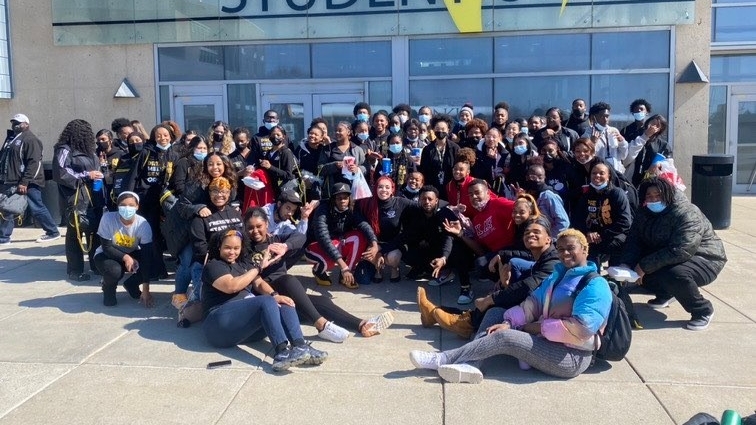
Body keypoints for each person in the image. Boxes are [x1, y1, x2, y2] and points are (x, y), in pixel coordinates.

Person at [409, 229, 612, 383]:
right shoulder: (557, 276)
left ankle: (443, 359)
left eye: (571, 248)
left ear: (585, 250)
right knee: (497, 312)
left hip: (570, 356)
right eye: (560, 249)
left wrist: (524, 328)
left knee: (506, 337)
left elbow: (580, 330)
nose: (565, 253)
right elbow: (533, 303)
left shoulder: (595, 284)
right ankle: (470, 366)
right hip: (546, 340)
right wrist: (509, 321)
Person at [243, 207, 394, 342]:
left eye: (259, 226)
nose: (255, 231)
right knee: (289, 280)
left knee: (321, 302)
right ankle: (321, 325)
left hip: (287, 289)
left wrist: (285, 246)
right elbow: (254, 281)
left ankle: (362, 325)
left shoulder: (276, 240)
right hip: (266, 293)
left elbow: (301, 237)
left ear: (267, 225)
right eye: (250, 228)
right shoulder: (245, 249)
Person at [201, 229, 327, 372]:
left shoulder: (243, 265)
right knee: (266, 301)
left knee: (284, 302)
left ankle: (300, 347)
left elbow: (259, 284)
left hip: (243, 329)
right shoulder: (214, 265)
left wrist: (275, 295)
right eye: (227, 248)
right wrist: (259, 268)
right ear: (219, 247)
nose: (232, 252)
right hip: (219, 326)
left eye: (236, 248)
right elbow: (232, 286)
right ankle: (281, 353)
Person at [418, 217, 559, 339]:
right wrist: (504, 282)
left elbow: (528, 287)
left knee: (497, 302)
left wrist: (491, 299)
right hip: (538, 305)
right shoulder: (543, 257)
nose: (530, 235)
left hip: (549, 318)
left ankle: (463, 324)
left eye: (536, 232)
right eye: (527, 233)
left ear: (548, 239)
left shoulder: (553, 262)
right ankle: (437, 314)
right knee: (502, 293)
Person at [619, 177, 727, 331]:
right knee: (640, 266)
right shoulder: (643, 213)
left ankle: (702, 310)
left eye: (658, 195)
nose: (653, 199)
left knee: (674, 274)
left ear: (668, 194)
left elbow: (682, 249)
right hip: (668, 256)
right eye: (649, 196)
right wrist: (626, 265)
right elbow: (634, 241)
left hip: (705, 258)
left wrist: (644, 265)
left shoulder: (687, 212)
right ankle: (665, 293)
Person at [442, 179, 516, 304]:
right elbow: (480, 251)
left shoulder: (498, 203)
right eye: (470, 194)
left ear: (487, 193)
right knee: (480, 263)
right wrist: (460, 234)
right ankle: (501, 284)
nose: (474, 197)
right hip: (496, 257)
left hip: (513, 251)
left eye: (477, 192)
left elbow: (522, 209)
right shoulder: (476, 220)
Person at [52, 119, 102, 281]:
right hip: (74, 198)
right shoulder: (64, 150)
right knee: (75, 232)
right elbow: (61, 172)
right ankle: (74, 270)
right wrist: (86, 175)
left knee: (94, 230)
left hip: (92, 196)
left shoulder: (90, 152)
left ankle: (96, 265)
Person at [0, 113, 60, 245]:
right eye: (14, 123)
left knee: (36, 207)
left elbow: (34, 163)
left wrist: (24, 181)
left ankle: (52, 231)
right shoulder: (12, 139)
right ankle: (4, 237)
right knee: (7, 208)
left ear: (26, 124)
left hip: (28, 182)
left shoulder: (30, 139)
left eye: (19, 123)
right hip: (11, 180)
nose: (15, 125)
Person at [305, 182, 380, 289]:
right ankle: (318, 271)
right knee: (330, 259)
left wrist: (374, 244)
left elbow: (364, 225)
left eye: (345, 198)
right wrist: (342, 265)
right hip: (316, 247)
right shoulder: (323, 210)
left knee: (359, 237)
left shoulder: (351, 209)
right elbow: (324, 239)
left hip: (337, 243)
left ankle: (347, 276)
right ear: (333, 199)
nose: (343, 201)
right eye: (339, 198)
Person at [94, 191, 154, 307]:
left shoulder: (143, 224)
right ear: (117, 206)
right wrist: (126, 258)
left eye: (131, 205)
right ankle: (108, 289)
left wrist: (146, 289)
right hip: (107, 254)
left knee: (154, 265)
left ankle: (131, 284)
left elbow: (147, 256)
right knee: (114, 271)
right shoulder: (107, 219)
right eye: (123, 205)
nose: (127, 208)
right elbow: (106, 247)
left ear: (137, 206)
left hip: (132, 252)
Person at [189, 176, 243, 300]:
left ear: (229, 193)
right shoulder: (201, 216)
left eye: (223, 191)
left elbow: (243, 239)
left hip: (234, 262)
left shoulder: (235, 214)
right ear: (209, 193)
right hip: (207, 265)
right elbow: (199, 247)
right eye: (215, 191)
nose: (219, 195)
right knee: (204, 303)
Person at [572, 162, 632, 268]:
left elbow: (625, 222)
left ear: (608, 176)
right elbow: (578, 220)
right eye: (594, 173)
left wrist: (601, 235)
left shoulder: (617, 194)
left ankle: (616, 281)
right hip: (593, 237)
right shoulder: (586, 196)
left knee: (616, 249)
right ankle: (592, 277)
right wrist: (587, 233)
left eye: (601, 173)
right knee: (584, 250)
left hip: (615, 235)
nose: (597, 176)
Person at [357, 175, 414, 282]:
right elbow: (350, 205)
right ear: (376, 188)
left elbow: (421, 206)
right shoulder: (367, 203)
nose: (384, 190)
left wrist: (447, 206)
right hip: (374, 242)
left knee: (393, 256)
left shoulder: (400, 202)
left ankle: (394, 268)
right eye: (380, 187)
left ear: (392, 189)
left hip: (394, 243)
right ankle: (378, 268)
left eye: (387, 187)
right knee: (368, 254)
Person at [400, 185, 457, 281]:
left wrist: (443, 258)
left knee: (455, 251)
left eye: (430, 199)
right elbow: (407, 234)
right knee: (406, 251)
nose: (427, 202)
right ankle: (421, 269)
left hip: (444, 247)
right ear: (419, 200)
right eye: (423, 199)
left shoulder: (444, 211)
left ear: (436, 200)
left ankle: (446, 270)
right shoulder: (415, 212)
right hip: (427, 243)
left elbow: (448, 238)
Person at [317, 121, 366, 200]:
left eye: (340, 130)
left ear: (348, 132)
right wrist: (335, 165)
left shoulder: (357, 149)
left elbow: (365, 167)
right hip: (332, 191)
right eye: (336, 130)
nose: (337, 132)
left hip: (352, 191)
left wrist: (357, 169)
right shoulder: (328, 149)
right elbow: (320, 169)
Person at [521, 164, 570, 238]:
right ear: (527, 177)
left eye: (540, 177)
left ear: (544, 177)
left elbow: (563, 222)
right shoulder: (527, 194)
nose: (537, 180)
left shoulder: (548, 195)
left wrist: (547, 237)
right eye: (533, 177)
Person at [623, 114, 672, 187]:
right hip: (630, 181)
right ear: (647, 123)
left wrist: (659, 165)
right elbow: (626, 159)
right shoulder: (635, 137)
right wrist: (645, 136)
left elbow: (669, 165)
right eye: (652, 123)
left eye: (657, 126)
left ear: (661, 129)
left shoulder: (663, 145)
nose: (653, 127)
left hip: (651, 184)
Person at [419, 114, 460, 199]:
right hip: (432, 189)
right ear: (433, 130)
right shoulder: (427, 149)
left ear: (448, 130)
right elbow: (423, 170)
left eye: (443, 129)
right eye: (437, 129)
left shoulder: (455, 148)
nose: (440, 131)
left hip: (451, 188)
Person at [589, 102, 628, 173]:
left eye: (607, 116)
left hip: (616, 172)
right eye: (601, 116)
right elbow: (587, 157)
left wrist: (622, 142)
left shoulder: (614, 130)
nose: (605, 119)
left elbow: (623, 155)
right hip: (599, 173)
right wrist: (592, 143)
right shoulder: (588, 133)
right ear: (593, 117)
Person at [257, 125, 297, 196]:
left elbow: (288, 175)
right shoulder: (268, 152)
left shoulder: (286, 152)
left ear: (283, 137)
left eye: (278, 135)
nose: (275, 137)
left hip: (283, 190)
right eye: (273, 135)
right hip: (271, 189)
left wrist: (270, 167)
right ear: (269, 137)